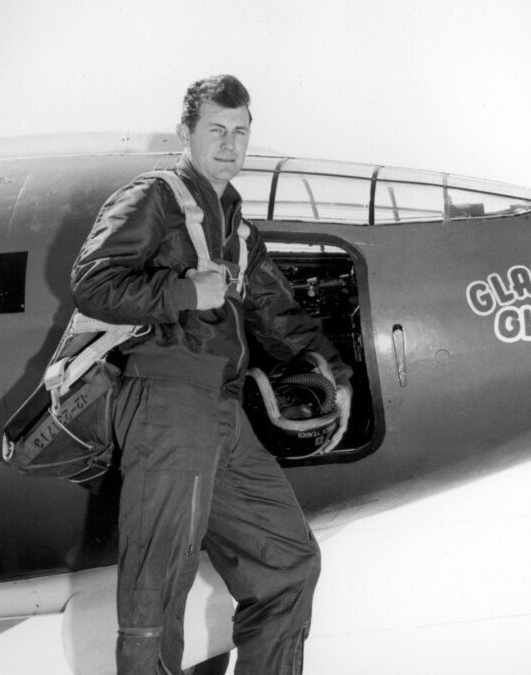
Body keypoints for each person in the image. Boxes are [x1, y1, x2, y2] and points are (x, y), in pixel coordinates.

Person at [70, 74, 353, 674]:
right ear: (187, 134)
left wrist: (334, 371)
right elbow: (92, 283)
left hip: (221, 411)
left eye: (241, 132)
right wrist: (182, 291)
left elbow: (276, 312)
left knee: (288, 561)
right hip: (165, 400)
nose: (230, 144)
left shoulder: (236, 225)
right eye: (217, 130)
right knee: (158, 587)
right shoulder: (155, 197)